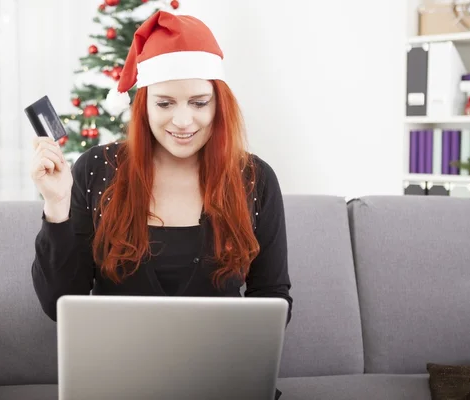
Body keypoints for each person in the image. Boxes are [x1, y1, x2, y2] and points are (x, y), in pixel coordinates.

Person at [30, 10, 292, 326]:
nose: (182, 122)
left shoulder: (254, 178)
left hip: (219, 371)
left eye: (199, 102)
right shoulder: (96, 169)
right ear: (144, 106)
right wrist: (57, 207)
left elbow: (272, 296)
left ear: (218, 105)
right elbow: (59, 304)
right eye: (164, 103)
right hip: (118, 368)